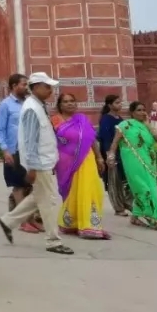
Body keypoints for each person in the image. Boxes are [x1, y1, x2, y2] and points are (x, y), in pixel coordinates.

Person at [0, 72, 73, 256]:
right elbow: (30, 140)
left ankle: (8, 221)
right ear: (36, 87)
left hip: (44, 160)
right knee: (49, 201)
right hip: (39, 163)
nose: (50, 90)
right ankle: (53, 241)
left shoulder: (37, 106)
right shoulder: (32, 108)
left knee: (38, 197)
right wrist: (32, 167)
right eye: (47, 87)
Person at [52, 92, 110, 239]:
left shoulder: (82, 119)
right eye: (66, 101)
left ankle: (89, 225)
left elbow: (92, 140)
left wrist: (99, 157)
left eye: (72, 101)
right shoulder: (54, 120)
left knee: (89, 189)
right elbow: (50, 141)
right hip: (64, 162)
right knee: (70, 190)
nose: (70, 104)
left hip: (86, 159)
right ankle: (71, 223)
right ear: (60, 105)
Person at [108, 101, 157, 230]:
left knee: (152, 189)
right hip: (132, 162)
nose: (142, 112)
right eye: (139, 110)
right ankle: (151, 217)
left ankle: (136, 216)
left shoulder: (147, 126)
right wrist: (110, 156)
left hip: (149, 163)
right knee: (142, 188)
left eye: (144, 110)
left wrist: (148, 125)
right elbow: (115, 143)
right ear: (132, 112)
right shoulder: (125, 125)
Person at [0, 73, 32, 216]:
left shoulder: (29, 103)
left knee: (30, 184)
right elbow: (0, 129)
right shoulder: (5, 105)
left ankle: (25, 215)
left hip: (29, 150)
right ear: (14, 86)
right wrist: (5, 151)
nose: (27, 87)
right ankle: (23, 219)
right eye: (24, 84)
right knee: (18, 185)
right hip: (14, 150)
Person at [98, 95, 130, 216]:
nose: (120, 104)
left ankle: (126, 203)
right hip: (111, 153)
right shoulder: (106, 119)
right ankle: (118, 207)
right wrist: (109, 156)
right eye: (117, 102)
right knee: (114, 181)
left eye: (120, 102)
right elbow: (105, 138)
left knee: (123, 180)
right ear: (110, 105)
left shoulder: (119, 118)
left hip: (122, 152)